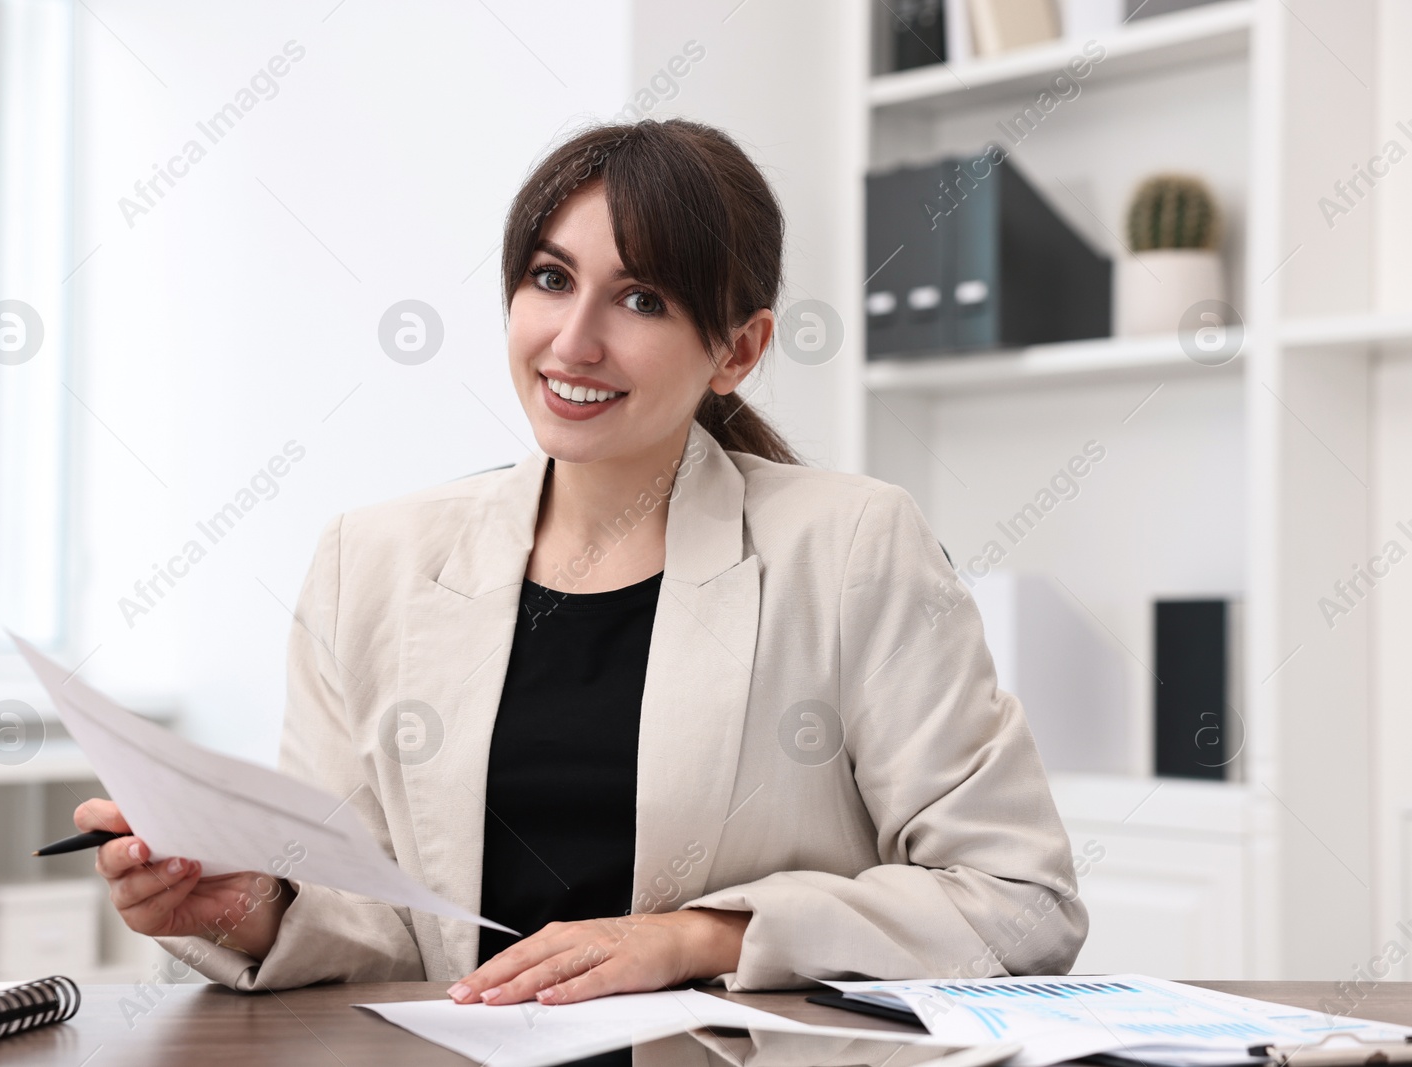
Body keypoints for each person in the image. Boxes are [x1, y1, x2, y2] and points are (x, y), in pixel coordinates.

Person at [72, 117, 1087, 1006]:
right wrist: (252, 906)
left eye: (640, 299)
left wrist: (702, 936)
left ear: (736, 349)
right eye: (549, 279)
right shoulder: (370, 560)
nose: (573, 339)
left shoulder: (851, 544)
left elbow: (1018, 901)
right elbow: (382, 925)